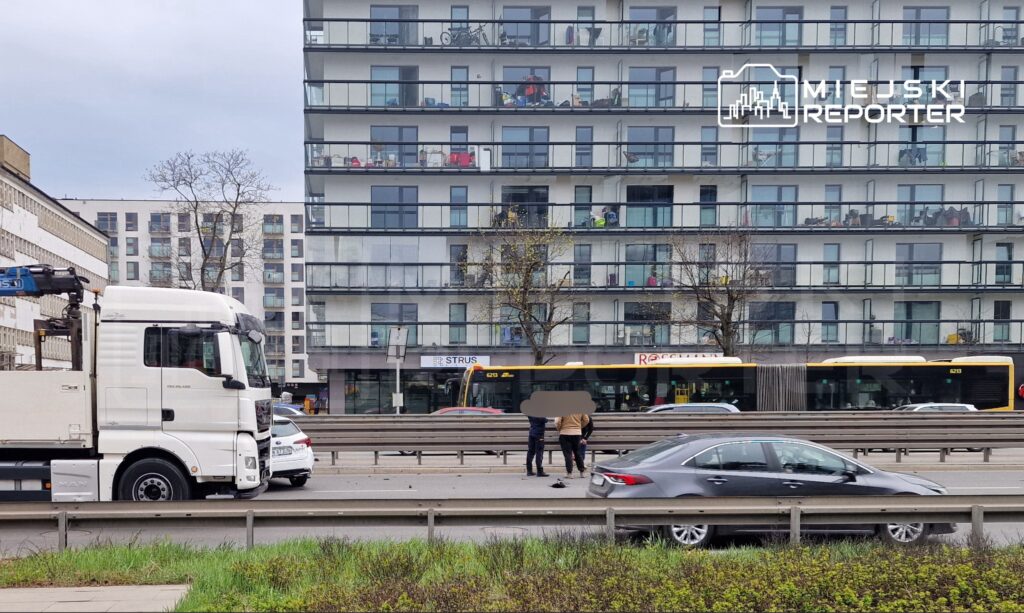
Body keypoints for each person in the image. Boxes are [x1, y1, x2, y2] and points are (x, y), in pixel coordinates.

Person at [554, 411, 591, 478]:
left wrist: (560, 429)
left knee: (568, 454)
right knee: (577, 453)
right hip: (577, 434)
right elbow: (586, 420)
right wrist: (579, 426)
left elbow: (557, 422)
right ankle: (582, 472)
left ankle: (570, 473)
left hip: (565, 433)